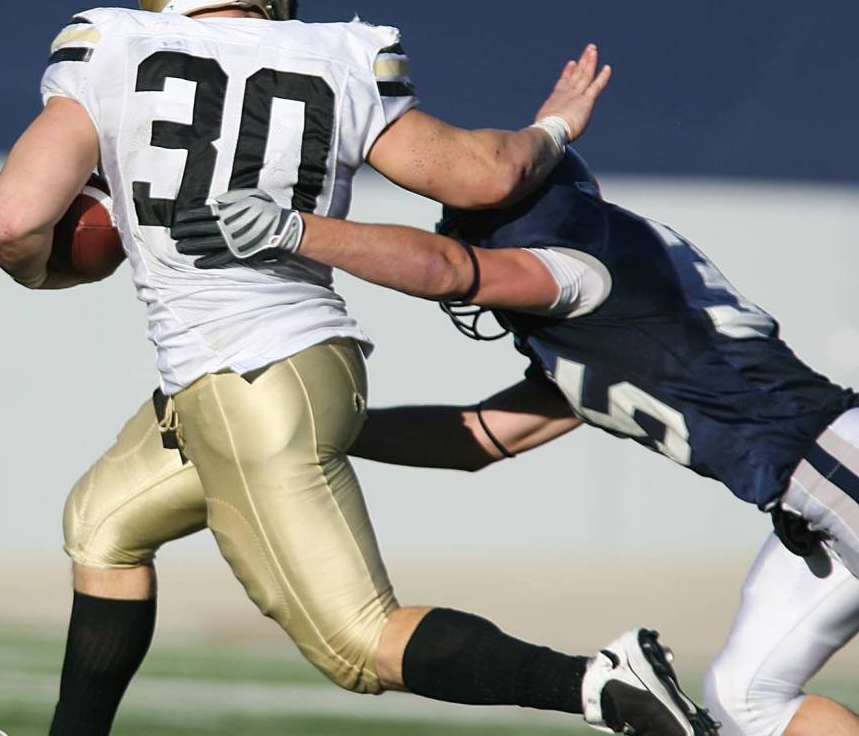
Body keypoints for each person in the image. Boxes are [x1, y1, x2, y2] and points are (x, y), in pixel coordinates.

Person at [0, 0, 711, 734]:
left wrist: (51, 267)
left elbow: (14, 221)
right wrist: (555, 128)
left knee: (359, 644)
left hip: (243, 380)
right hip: (294, 368)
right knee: (104, 523)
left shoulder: (110, 47)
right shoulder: (338, 56)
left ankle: (604, 685)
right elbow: (483, 175)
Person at [175, 148, 859, 736]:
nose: (468, 246)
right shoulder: (597, 327)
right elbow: (473, 438)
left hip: (830, 462)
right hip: (811, 499)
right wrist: (308, 427)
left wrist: (299, 232)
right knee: (746, 701)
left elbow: (446, 270)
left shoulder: (577, 272)